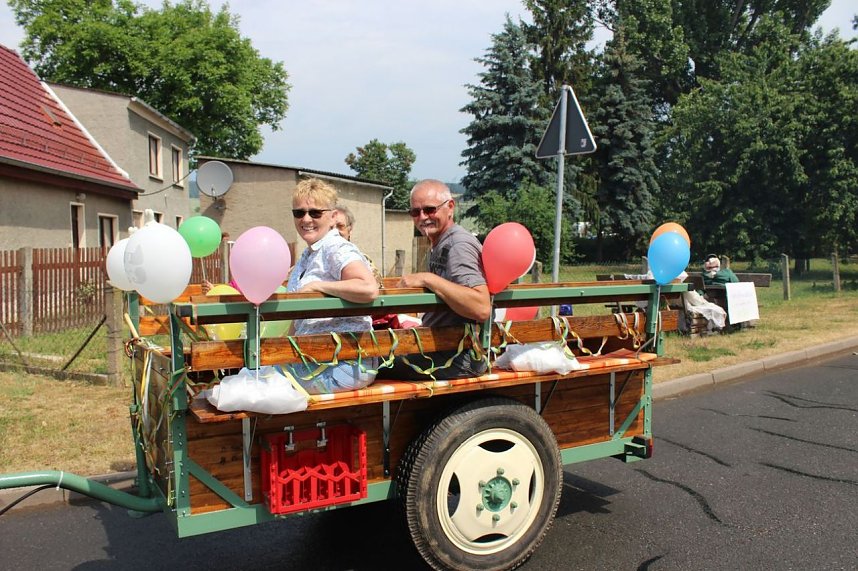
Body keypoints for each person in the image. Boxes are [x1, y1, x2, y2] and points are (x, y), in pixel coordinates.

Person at [377, 179, 491, 380]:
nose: (422, 217)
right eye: (415, 212)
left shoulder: (457, 245)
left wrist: (427, 279)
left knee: (367, 363)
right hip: (442, 347)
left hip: (456, 357)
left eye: (430, 210)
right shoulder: (441, 242)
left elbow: (481, 307)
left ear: (450, 207)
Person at [283, 178, 380, 394]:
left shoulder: (335, 248)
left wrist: (319, 285)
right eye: (299, 213)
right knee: (253, 375)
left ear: (333, 216)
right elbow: (298, 320)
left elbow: (368, 288)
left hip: (344, 363)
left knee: (256, 384)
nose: (306, 219)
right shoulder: (310, 253)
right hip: (317, 358)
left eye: (315, 213)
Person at [334, 204, 383, 286]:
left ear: (350, 230)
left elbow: (372, 288)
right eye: (330, 227)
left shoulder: (363, 261)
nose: (335, 232)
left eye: (340, 226)